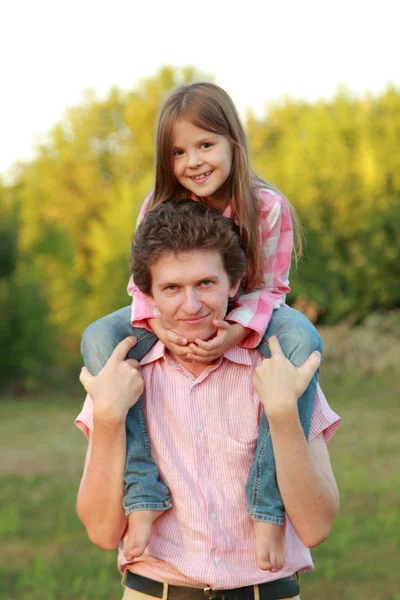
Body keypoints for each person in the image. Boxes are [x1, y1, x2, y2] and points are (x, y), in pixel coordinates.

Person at [80, 82, 323, 571]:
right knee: (100, 337)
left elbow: (272, 289)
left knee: (302, 337)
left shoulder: (268, 207)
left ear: (233, 141)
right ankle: (143, 490)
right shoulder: (157, 204)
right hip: (167, 320)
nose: (193, 160)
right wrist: (161, 329)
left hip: (250, 314)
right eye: (178, 151)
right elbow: (142, 287)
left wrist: (236, 332)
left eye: (205, 144)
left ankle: (267, 507)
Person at [76, 200, 340, 600]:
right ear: (148, 294)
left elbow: (317, 526)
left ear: (233, 283)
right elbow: (101, 531)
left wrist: (283, 413)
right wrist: (110, 415)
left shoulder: (281, 368)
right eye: (171, 288)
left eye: (205, 283)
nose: (191, 305)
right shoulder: (122, 374)